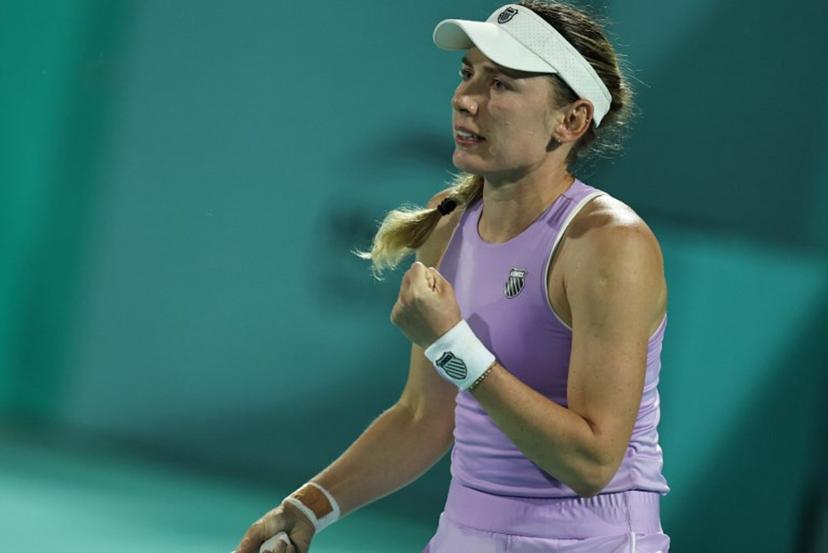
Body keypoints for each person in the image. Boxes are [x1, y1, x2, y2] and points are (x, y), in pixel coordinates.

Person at [233, 2, 671, 552]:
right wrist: (306, 508)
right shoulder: (449, 221)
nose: (465, 100)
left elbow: (592, 461)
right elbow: (423, 417)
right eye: (468, 74)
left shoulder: (608, 242)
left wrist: (452, 343)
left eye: (503, 84)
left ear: (571, 120)